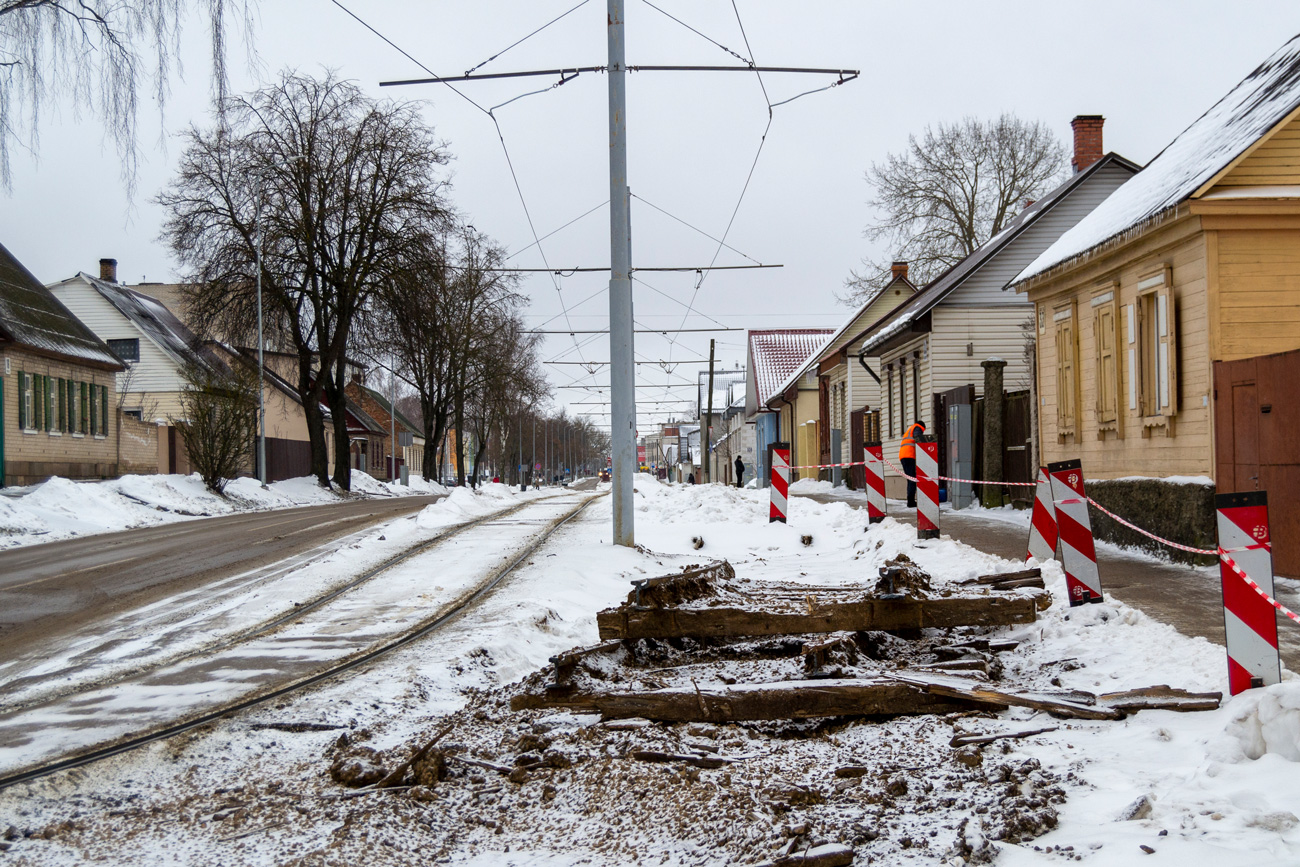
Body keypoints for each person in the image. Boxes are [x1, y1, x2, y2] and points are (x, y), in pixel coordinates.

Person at [899, 420, 926, 508]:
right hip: (909, 456)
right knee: (912, 479)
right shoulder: (918, 428)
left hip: (903, 456)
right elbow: (918, 437)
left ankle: (910, 500)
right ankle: (910, 502)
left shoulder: (910, 429)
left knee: (910, 479)